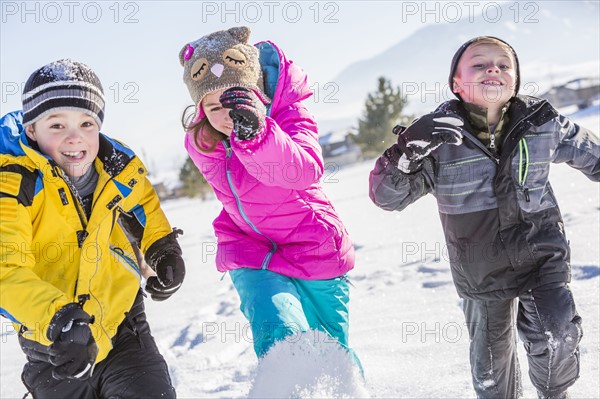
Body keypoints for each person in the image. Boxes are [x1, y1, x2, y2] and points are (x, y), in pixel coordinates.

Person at [369, 36, 599, 399]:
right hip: (480, 269)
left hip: (541, 255)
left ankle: (555, 395)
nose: (494, 68)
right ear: (457, 84)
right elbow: (386, 197)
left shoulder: (540, 122)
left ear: (515, 81)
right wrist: (404, 153)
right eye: (479, 64)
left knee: (557, 332)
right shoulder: (438, 137)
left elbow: (592, 153)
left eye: (504, 65)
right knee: (491, 370)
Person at [0, 59, 186, 398]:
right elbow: (4, 269)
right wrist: (58, 319)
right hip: (54, 344)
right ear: (31, 130)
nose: (75, 137)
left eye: (87, 123)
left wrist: (163, 249)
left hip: (123, 327)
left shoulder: (117, 169)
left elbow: (143, 205)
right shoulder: (14, 185)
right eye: (56, 125)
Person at [178, 26, 358, 363]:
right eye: (214, 106)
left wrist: (257, 135)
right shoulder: (203, 142)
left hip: (314, 246)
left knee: (331, 351)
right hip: (250, 248)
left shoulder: (290, 115)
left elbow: (302, 172)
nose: (227, 115)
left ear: (258, 89)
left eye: (236, 98)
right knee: (280, 335)